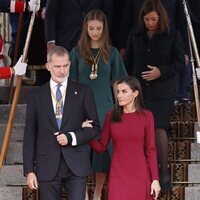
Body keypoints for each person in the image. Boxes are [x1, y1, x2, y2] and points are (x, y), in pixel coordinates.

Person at [23, 46, 101, 200]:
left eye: (65, 66)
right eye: (57, 66)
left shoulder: (84, 91)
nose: (62, 70)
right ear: (48, 66)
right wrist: (29, 170)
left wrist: (71, 137)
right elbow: (30, 135)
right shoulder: (35, 96)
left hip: (77, 164)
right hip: (47, 164)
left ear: (70, 64)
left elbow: (95, 129)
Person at [125, 0, 185, 191]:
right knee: (140, 130)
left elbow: (179, 62)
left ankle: (163, 172)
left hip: (162, 91)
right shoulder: (135, 35)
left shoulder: (172, 34)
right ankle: (144, 172)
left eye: (154, 19)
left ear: (161, 18)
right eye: (147, 19)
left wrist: (161, 71)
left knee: (159, 127)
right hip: (140, 91)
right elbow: (129, 61)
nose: (150, 23)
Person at [69, 9, 127, 200]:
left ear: (104, 29)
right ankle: (83, 191)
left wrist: (123, 106)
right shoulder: (76, 52)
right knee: (82, 152)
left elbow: (118, 82)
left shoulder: (112, 53)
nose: (95, 32)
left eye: (98, 29)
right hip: (82, 109)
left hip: (106, 108)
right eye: (91, 28)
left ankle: (97, 191)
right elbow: (71, 83)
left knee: (103, 153)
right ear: (85, 28)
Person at [83, 76, 161, 200]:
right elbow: (101, 147)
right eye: (118, 91)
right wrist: (86, 133)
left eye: (124, 91)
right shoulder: (111, 116)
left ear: (135, 93)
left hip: (140, 174)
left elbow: (151, 150)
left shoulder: (147, 116)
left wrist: (155, 179)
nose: (119, 95)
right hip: (117, 175)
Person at [45, 0, 113, 52]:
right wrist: (51, 42)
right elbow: (50, 13)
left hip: (92, 41)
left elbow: (107, 14)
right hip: (64, 41)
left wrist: (103, 39)